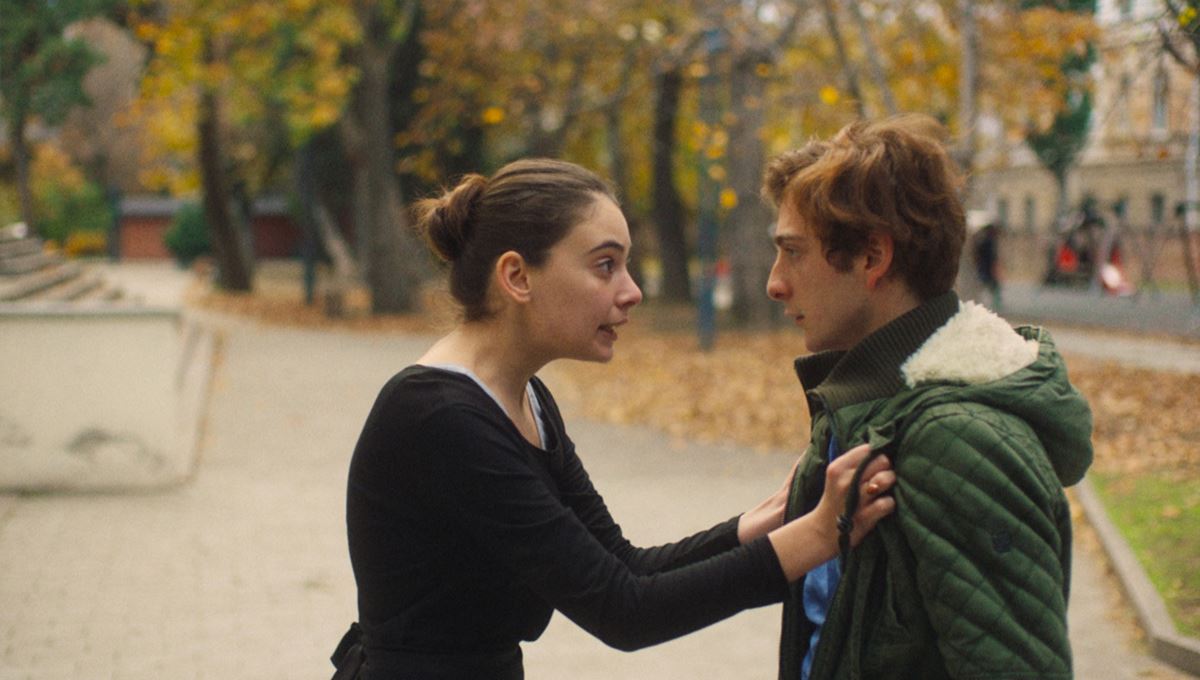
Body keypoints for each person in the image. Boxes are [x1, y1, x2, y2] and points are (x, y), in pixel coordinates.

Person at [336, 158, 897, 680]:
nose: (632, 292)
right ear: (518, 277)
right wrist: (819, 535)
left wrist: (760, 523)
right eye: (605, 265)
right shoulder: (440, 418)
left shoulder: (525, 400)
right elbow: (625, 610)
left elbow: (624, 566)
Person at [760, 116, 1094, 680]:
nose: (774, 282)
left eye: (793, 252)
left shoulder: (958, 441)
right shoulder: (868, 406)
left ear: (872, 257)